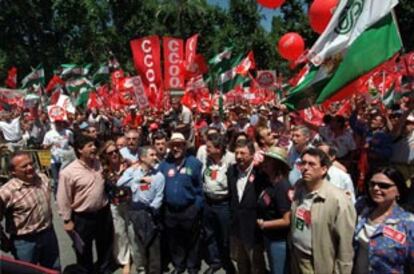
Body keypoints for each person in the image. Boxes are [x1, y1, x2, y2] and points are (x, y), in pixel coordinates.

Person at [290, 147, 356, 274]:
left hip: (318, 262)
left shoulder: (338, 200)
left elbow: (345, 245)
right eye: (303, 163)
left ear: (324, 169)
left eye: (312, 164)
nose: (305, 167)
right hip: (296, 255)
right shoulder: (299, 187)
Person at [57, 134, 114, 274]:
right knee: (83, 249)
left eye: (94, 145)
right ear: (79, 150)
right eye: (89, 145)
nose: (94, 148)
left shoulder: (99, 163)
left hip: (103, 213)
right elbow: (63, 198)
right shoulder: (68, 172)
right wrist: (67, 220)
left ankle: (104, 270)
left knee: (105, 245)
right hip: (82, 218)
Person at [0, 151, 60, 271]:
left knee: (54, 269)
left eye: (31, 164)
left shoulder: (42, 179)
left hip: (48, 234)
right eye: (24, 166)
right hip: (24, 243)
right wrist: (4, 240)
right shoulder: (6, 192)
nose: (30, 168)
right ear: (13, 172)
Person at [353, 167, 414, 273]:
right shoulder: (361, 209)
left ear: (398, 190)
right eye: (372, 184)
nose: (376, 188)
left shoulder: (408, 223)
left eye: (384, 186)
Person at [158, 132, 203, 274]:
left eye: (179, 145)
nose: (176, 149)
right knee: (174, 241)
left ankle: (192, 266)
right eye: (173, 146)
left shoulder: (194, 163)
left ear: (184, 146)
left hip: (189, 209)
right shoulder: (164, 165)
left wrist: (196, 207)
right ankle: (179, 265)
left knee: (192, 241)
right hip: (170, 211)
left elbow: (200, 188)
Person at [117, 146, 165, 274]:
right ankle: (141, 269)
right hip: (134, 212)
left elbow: (159, 196)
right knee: (137, 244)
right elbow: (119, 184)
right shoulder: (133, 172)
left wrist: (151, 212)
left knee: (153, 245)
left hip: (149, 212)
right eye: (152, 155)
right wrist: (138, 179)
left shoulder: (158, 176)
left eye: (155, 155)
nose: (155, 157)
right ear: (142, 158)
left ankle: (154, 271)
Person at [227, 139, 267, 274]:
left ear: (251, 155)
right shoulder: (231, 171)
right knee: (241, 263)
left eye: (243, 153)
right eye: (236, 153)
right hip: (237, 227)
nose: (239, 157)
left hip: (253, 228)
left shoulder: (260, 173)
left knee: (256, 264)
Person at [201, 133, 236, 274]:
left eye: (209, 147)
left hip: (223, 204)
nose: (206, 149)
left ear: (219, 148)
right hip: (208, 202)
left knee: (225, 235)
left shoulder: (231, 160)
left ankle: (228, 261)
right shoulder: (207, 159)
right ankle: (215, 261)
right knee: (210, 234)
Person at [256, 147, 292, 274]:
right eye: (265, 159)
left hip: (278, 240)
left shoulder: (282, 186)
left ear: (277, 165)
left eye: (269, 161)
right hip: (269, 237)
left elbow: (287, 220)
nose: (264, 162)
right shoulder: (269, 181)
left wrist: (264, 224)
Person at [99, 140, 131, 274]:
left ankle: (134, 256)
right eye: (110, 152)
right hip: (115, 205)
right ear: (105, 155)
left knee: (132, 232)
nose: (114, 154)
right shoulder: (104, 169)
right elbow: (114, 185)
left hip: (130, 203)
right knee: (119, 233)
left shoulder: (128, 164)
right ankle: (125, 261)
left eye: (116, 151)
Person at [42, 119, 73, 195]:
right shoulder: (49, 134)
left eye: (60, 123)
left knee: (67, 179)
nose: (58, 124)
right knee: (56, 180)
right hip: (54, 161)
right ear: (54, 123)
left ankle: (68, 195)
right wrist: (51, 144)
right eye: (57, 123)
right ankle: (57, 196)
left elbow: (72, 143)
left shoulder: (68, 132)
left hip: (66, 160)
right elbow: (44, 147)